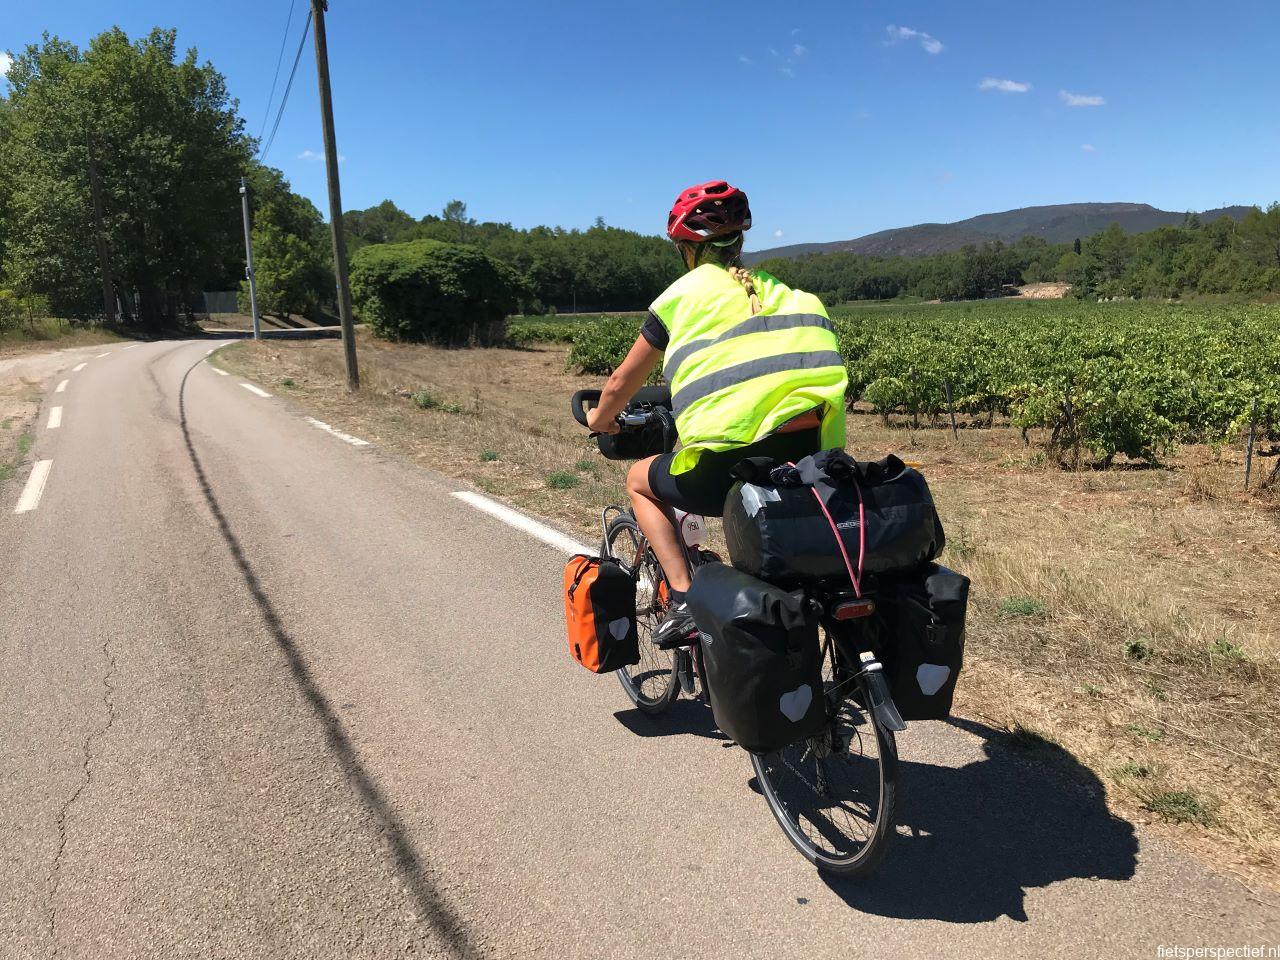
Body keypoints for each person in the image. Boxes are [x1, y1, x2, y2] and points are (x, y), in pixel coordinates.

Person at [586, 180, 848, 647]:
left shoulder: (680, 298)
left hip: (727, 468)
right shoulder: (797, 298)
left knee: (638, 481)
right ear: (741, 240)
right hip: (809, 464)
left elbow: (620, 384)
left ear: (687, 249)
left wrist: (600, 421)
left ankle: (685, 599)